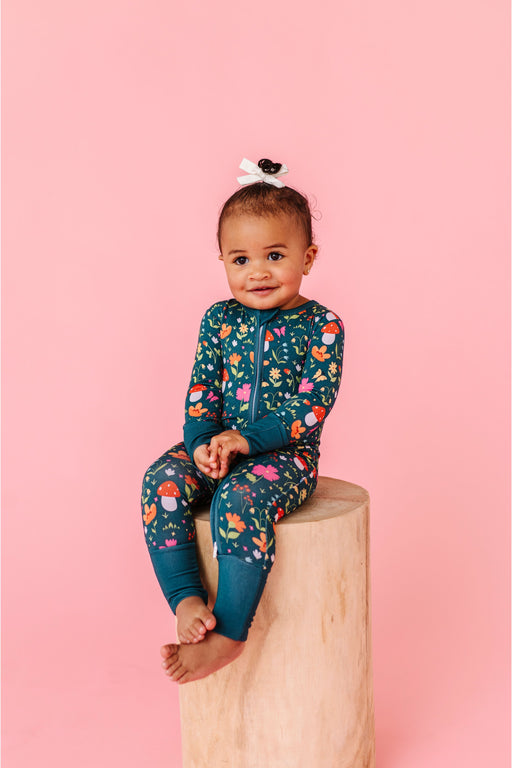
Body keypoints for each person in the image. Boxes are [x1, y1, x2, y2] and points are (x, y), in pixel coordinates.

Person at [141, 157, 345, 684]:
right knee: (160, 480)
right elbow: (202, 390)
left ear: (309, 256)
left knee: (238, 499)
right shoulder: (219, 319)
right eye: (240, 259)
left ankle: (229, 635)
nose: (257, 272)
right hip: (218, 446)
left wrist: (247, 441)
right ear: (223, 262)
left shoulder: (323, 326)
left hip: (284, 458)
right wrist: (204, 441)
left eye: (275, 255)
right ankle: (186, 599)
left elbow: (310, 407)